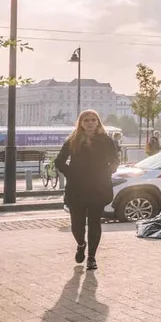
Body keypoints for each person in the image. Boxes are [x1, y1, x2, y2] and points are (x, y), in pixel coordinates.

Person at [54, 110, 120, 271]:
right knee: (77, 224)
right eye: (86, 120)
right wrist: (72, 174)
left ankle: (91, 257)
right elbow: (59, 161)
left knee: (94, 222)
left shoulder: (106, 140)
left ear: (98, 122)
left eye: (93, 120)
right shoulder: (73, 140)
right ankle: (81, 244)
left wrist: (107, 173)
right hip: (77, 188)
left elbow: (115, 160)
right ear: (81, 123)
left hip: (98, 187)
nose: (90, 123)